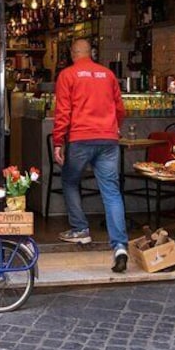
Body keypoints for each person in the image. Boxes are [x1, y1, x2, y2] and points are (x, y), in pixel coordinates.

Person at [52, 38, 129, 273]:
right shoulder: (107, 75)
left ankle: (80, 229)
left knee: (69, 180)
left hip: (80, 139)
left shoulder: (68, 75)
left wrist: (58, 141)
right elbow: (120, 109)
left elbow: (63, 111)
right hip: (108, 140)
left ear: (74, 53)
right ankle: (120, 246)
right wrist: (114, 127)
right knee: (112, 191)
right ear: (91, 53)